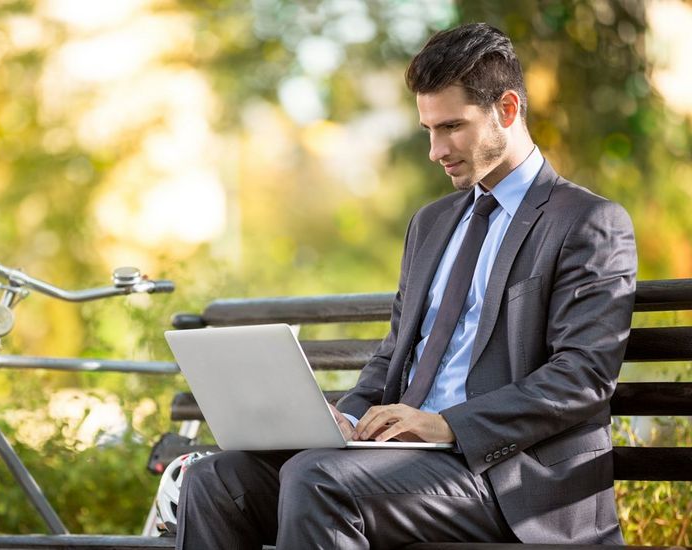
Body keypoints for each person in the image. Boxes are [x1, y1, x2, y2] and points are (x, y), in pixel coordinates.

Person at [175, 22, 637, 548]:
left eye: (452, 127)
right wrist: (344, 418)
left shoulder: (587, 222)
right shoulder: (432, 223)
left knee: (317, 480)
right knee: (216, 480)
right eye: (429, 130)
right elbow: (395, 355)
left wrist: (450, 425)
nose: (437, 150)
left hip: (510, 480)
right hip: (399, 464)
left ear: (507, 111)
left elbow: (582, 376)